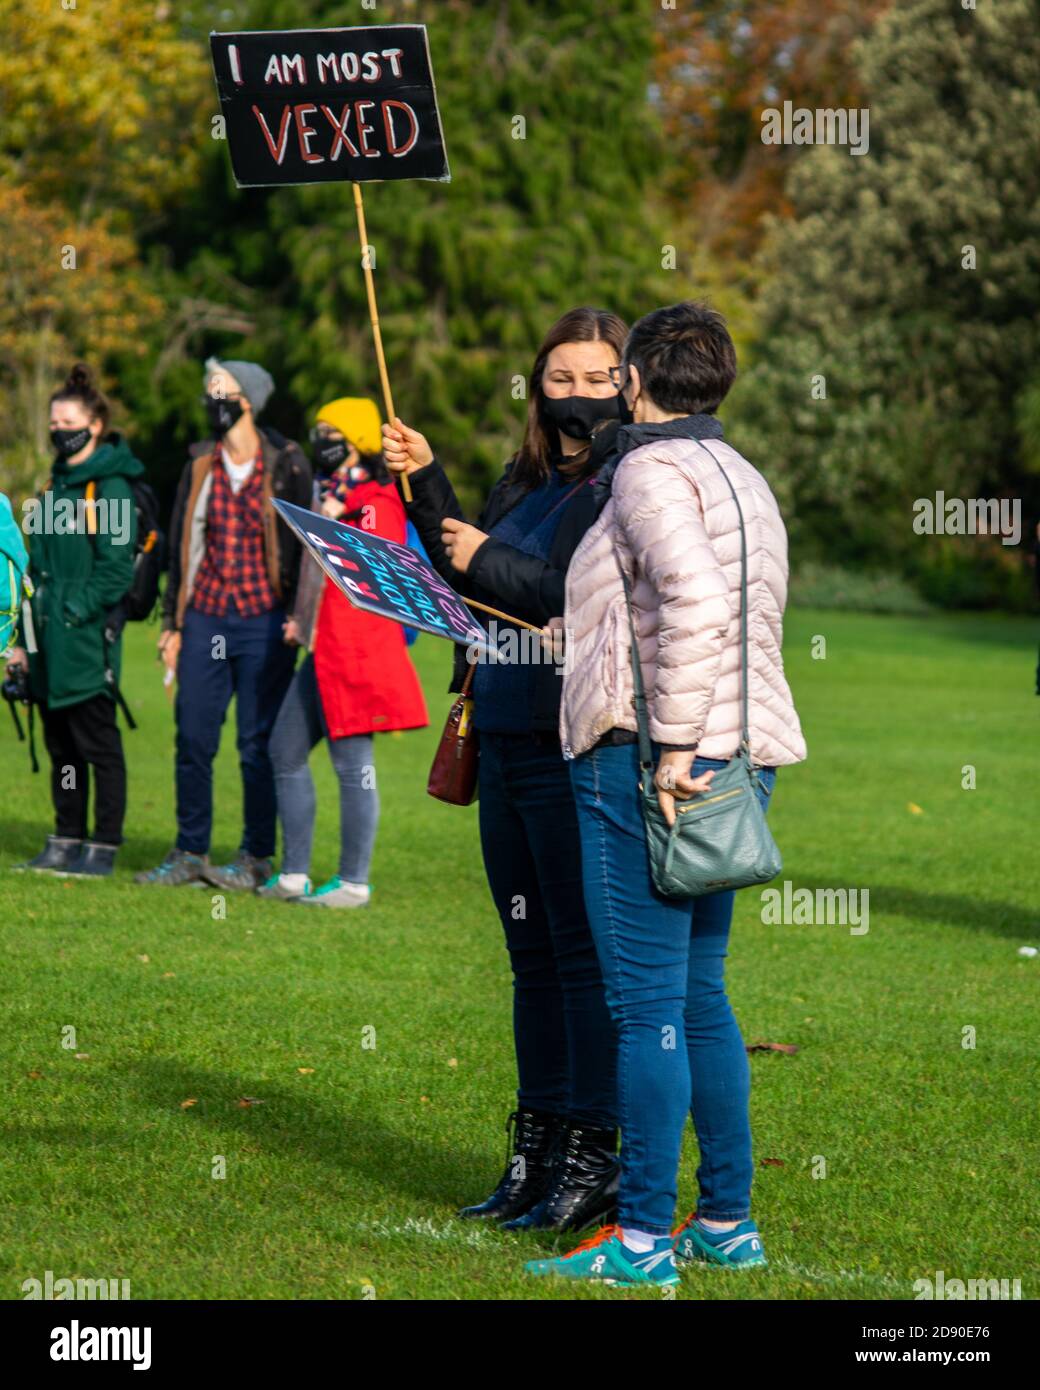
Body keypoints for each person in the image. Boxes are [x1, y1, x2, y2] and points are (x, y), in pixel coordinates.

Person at [526, 301, 807, 1287]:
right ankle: (724, 1220)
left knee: (643, 1003)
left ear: (636, 381)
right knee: (697, 995)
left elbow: (695, 605)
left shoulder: (647, 469)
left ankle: (642, 1239)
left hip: (651, 760)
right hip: (728, 758)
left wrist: (690, 745)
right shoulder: (738, 470)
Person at [382, 307, 626, 1232]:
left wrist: (486, 557)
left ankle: (592, 1158)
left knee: (579, 958)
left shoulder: (619, 487)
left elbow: (568, 593)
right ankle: (535, 1151)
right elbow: (463, 576)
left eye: (596, 377)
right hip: (504, 736)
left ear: (627, 384)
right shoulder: (521, 480)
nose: (576, 395)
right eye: (558, 378)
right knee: (530, 960)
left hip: (575, 744)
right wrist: (426, 479)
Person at [137, 358, 312, 889]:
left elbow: (308, 546)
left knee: (255, 743)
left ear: (249, 400)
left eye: (222, 391)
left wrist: (299, 617)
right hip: (206, 617)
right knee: (193, 735)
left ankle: (256, 856)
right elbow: (178, 547)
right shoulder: (198, 465)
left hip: (264, 622)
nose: (212, 400)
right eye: (209, 391)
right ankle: (189, 852)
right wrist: (171, 622)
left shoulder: (287, 463)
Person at [259, 397, 428, 907]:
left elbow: (374, 563)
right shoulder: (324, 492)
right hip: (322, 647)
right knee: (284, 751)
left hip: (358, 652)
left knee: (353, 765)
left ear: (357, 443)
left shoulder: (378, 496)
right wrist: (301, 621)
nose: (321, 442)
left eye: (331, 433)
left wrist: (338, 517)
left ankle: (353, 882)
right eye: (318, 432)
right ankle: (294, 875)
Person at [6, 364, 143, 877]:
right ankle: (65, 838)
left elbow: (115, 573)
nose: (60, 429)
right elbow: (30, 568)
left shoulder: (110, 488)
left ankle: (103, 846)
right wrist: (19, 639)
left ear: (96, 425)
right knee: (60, 745)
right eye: (54, 422)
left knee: (98, 745)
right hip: (43, 641)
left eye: (69, 420)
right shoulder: (49, 487)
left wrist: (68, 611)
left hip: (85, 641)